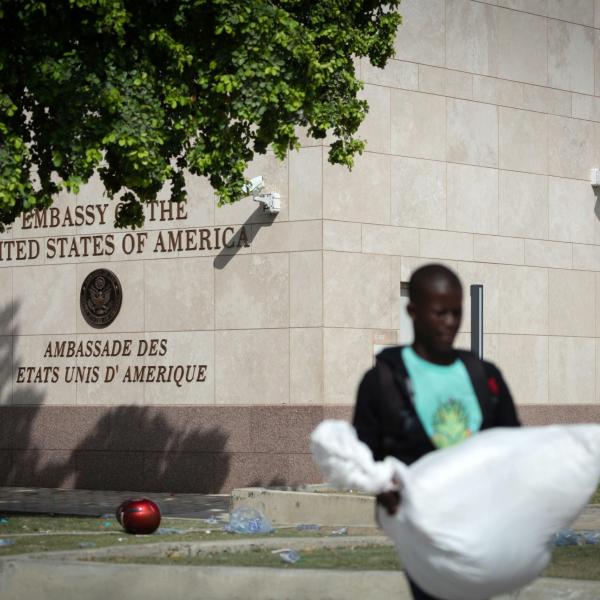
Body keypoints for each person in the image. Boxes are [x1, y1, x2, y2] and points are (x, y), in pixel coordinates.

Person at [353, 263, 520, 600]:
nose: (450, 323)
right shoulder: (383, 381)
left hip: (481, 525)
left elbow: (512, 444)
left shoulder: (483, 375)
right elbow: (364, 454)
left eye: (456, 313)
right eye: (440, 313)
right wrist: (384, 489)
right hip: (422, 530)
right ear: (413, 311)